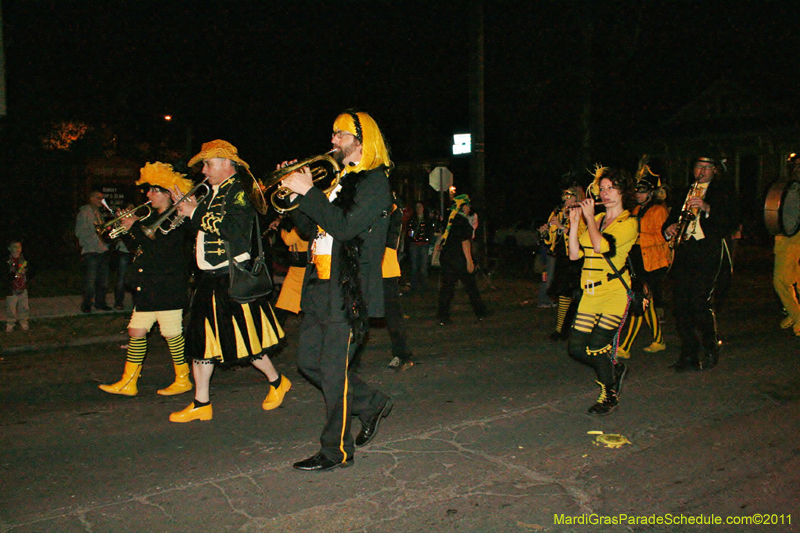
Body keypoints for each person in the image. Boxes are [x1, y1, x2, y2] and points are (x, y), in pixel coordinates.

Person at [281, 110, 394, 472]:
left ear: (362, 141)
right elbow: (308, 226)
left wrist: (309, 192)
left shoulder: (374, 183)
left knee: (332, 372)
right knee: (308, 363)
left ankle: (336, 451)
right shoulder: (337, 181)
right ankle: (372, 402)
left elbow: (345, 228)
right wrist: (292, 193)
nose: (332, 140)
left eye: (340, 134)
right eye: (333, 134)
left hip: (350, 291)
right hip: (319, 285)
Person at [169, 140, 289, 423]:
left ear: (226, 163)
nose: (204, 169)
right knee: (201, 342)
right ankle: (201, 403)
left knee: (246, 340)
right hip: (207, 278)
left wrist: (195, 213)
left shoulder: (240, 191)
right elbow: (204, 228)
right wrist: (185, 212)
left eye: (208, 164)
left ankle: (277, 381)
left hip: (229, 276)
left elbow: (234, 231)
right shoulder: (212, 192)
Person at [99, 162, 194, 397]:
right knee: (136, 332)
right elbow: (140, 248)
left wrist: (134, 227)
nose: (148, 194)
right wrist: (127, 229)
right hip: (148, 284)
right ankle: (129, 381)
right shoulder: (152, 217)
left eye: (154, 190)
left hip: (167, 285)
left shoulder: (177, 219)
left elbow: (161, 248)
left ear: (168, 194)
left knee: (172, 334)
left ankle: (184, 379)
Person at [567, 167, 637, 415]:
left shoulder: (629, 222)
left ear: (623, 192)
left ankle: (609, 394)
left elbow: (601, 246)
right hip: (590, 293)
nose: (605, 193)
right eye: (602, 188)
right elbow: (575, 254)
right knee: (576, 349)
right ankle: (613, 369)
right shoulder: (596, 220)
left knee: (597, 347)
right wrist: (575, 223)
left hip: (613, 293)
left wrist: (587, 218)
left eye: (611, 188)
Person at [663, 156, 741, 372]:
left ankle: (710, 345)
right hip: (685, 251)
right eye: (699, 166)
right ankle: (688, 353)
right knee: (680, 305)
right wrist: (669, 228)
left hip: (708, 250)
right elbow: (670, 218)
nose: (702, 171)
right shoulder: (684, 191)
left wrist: (707, 207)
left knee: (699, 302)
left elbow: (732, 220)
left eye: (707, 167)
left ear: (715, 170)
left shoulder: (724, 191)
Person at [616, 163, 670, 358]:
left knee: (640, 301)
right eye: (636, 191)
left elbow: (664, 236)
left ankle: (626, 346)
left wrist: (638, 235)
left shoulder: (658, 210)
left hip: (653, 263)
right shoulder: (636, 209)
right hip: (637, 261)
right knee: (647, 303)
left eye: (642, 191)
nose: (638, 194)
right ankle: (659, 340)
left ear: (651, 192)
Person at [542, 177, 585, 340]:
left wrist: (562, 227)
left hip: (578, 258)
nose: (565, 200)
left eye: (569, 196)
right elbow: (550, 240)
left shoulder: (582, 213)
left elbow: (583, 236)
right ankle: (561, 329)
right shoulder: (557, 212)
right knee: (562, 294)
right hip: (562, 256)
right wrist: (546, 232)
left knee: (577, 295)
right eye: (564, 196)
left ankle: (578, 329)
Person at [436, 194, 488, 325]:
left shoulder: (450, 218)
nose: (469, 208)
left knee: (447, 287)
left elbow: (445, 235)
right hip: (459, 258)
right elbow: (465, 242)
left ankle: (443, 316)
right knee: (471, 286)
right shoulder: (462, 221)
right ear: (463, 206)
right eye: (468, 206)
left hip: (447, 257)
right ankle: (480, 312)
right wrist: (469, 261)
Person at [384, 195, 414, 370]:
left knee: (393, 315)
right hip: (371, 265)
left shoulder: (393, 208)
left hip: (386, 267)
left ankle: (402, 354)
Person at [773, 154, 800, 336]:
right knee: (781, 279)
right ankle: (796, 314)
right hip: (788, 236)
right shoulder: (788, 187)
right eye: (797, 165)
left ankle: (797, 318)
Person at [75, 190, 111, 313]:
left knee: (103, 281)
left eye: (102, 198)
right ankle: (87, 305)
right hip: (90, 251)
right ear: (91, 198)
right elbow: (79, 232)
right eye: (98, 198)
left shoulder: (99, 212)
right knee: (90, 282)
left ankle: (100, 303)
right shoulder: (84, 212)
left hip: (102, 250)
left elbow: (102, 233)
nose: (101, 200)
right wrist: (95, 231)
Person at [273, 216, 309, 326]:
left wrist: (281, 230)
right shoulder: (306, 227)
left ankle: (278, 329)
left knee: (286, 298)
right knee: (293, 297)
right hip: (301, 267)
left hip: (299, 268)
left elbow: (288, 240)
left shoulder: (300, 229)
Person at [407, 201, 433, 293]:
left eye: (420, 207)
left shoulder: (427, 220)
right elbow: (409, 231)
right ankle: (414, 285)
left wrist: (428, 240)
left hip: (424, 244)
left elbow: (430, 231)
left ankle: (424, 286)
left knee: (423, 265)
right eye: (417, 207)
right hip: (414, 244)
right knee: (414, 266)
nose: (418, 209)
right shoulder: (412, 219)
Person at [6, 241, 29, 332]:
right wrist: (15, 274)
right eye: (14, 247)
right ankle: (10, 324)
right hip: (12, 288)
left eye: (19, 247)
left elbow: (31, 271)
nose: (17, 249)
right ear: (9, 249)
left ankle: (24, 323)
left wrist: (26, 271)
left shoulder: (24, 259)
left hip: (23, 287)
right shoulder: (7, 261)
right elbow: (5, 276)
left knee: (24, 307)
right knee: (11, 308)